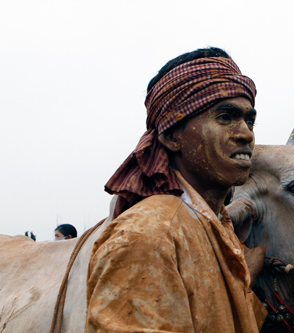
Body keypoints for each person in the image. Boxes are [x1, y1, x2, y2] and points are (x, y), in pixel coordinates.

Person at [85, 47, 267, 332]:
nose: (246, 133)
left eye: (249, 120)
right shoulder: (146, 237)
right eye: (225, 117)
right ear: (171, 137)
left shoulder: (218, 226)